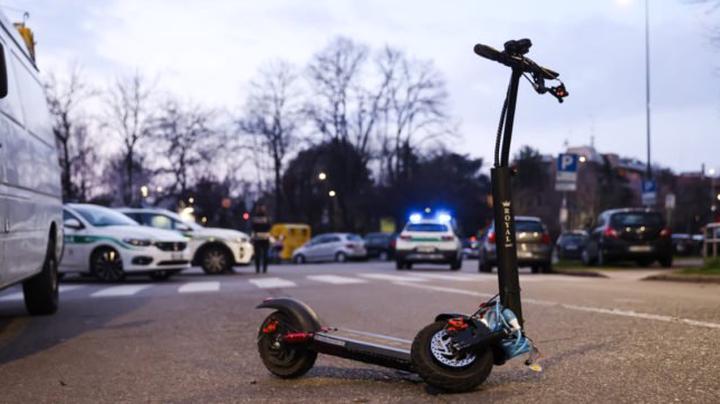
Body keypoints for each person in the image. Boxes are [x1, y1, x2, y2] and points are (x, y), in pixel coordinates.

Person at [251, 204, 272, 274]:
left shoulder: (255, 218)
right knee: (265, 254)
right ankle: (264, 269)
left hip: (257, 237)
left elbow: (253, 227)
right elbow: (269, 226)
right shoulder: (267, 217)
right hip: (265, 237)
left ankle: (257, 269)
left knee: (258, 255)